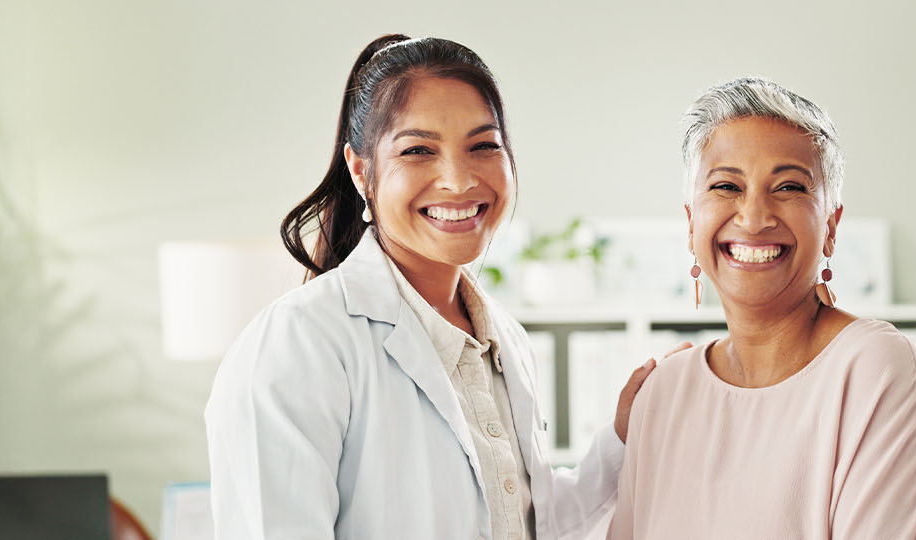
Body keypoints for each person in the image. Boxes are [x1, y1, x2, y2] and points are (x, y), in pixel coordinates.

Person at [204, 34, 676, 540]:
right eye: (418, 150)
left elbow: (522, 521)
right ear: (361, 171)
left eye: (483, 146)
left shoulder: (504, 340)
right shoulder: (298, 343)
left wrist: (623, 436)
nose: (458, 180)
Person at [608, 78, 916, 540]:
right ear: (691, 221)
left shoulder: (876, 370)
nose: (754, 217)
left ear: (831, 226)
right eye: (725, 186)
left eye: (789, 187)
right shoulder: (662, 394)